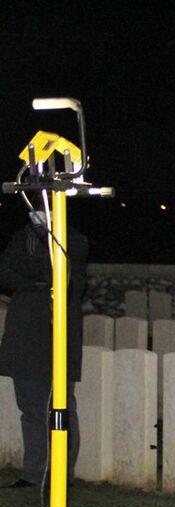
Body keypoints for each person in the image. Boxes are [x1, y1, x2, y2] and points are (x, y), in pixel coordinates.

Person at [0, 208, 86, 489]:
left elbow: (65, 277)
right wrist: (32, 284)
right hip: (25, 333)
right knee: (31, 407)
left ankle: (63, 474)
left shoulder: (73, 240)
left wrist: (37, 275)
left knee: (62, 407)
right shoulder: (20, 239)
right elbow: (6, 272)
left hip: (58, 331)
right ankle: (33, 472)